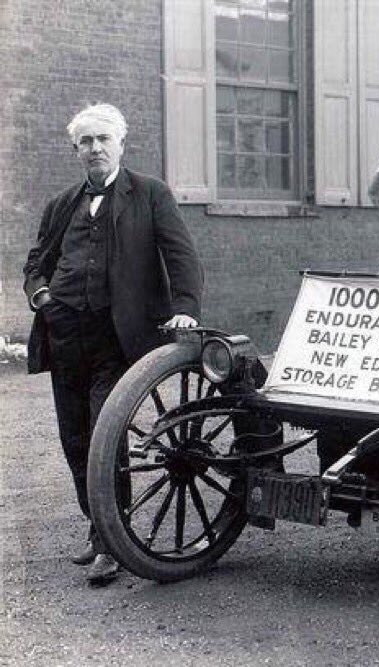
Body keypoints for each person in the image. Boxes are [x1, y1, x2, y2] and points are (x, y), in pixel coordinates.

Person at [23, 103, 204, 585]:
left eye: (103, 139)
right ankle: (96, 525)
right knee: (75, 441)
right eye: (86, 141)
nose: (95, 148)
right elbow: (36, 262)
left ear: (121, 143)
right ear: (76, 150)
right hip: (65, 336)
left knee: (107, 440)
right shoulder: (62, 204)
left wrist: (184, 306)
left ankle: (111, 542)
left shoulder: (149, 194)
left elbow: (181, 255)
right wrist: (40, 295)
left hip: (116, 338)